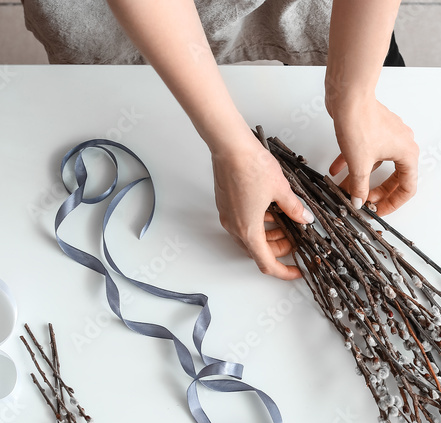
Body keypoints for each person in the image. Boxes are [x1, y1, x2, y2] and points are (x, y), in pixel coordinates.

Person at [21, 0, 419, 280]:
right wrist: (234, 150)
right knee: (124, 86)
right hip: (131, 14)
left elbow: (356, 76)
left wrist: (354, 92)